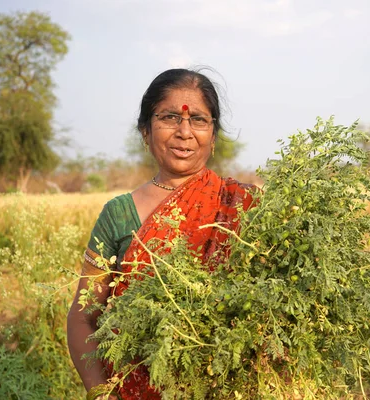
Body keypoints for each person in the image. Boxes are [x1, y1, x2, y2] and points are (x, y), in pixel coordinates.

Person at [67, 69, 256, 400]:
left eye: (198, 120)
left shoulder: (244, 206)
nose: (185, 132)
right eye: (170, 117)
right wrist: (103, 394)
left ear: (213, 135)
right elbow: (83, 319)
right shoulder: (119, 215)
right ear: (145, 130)